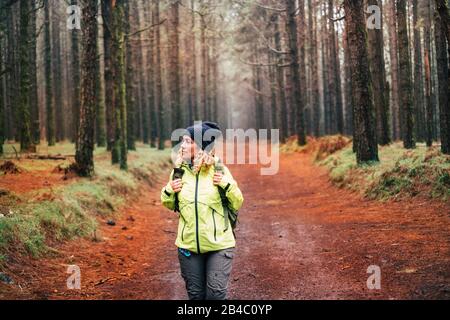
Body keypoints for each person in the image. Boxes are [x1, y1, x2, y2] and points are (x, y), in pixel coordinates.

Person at [160, 121, 244, 300]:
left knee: (215, 295)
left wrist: (225, 184)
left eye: (188, 141)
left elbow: (237, 202)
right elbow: (169, 203)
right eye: (182, 140)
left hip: (219, 244)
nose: (182, 145)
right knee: (196, 296)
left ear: (201, 147)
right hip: (188, 245)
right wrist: (169, 190)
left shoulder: (219, 170)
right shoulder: (178, 171)